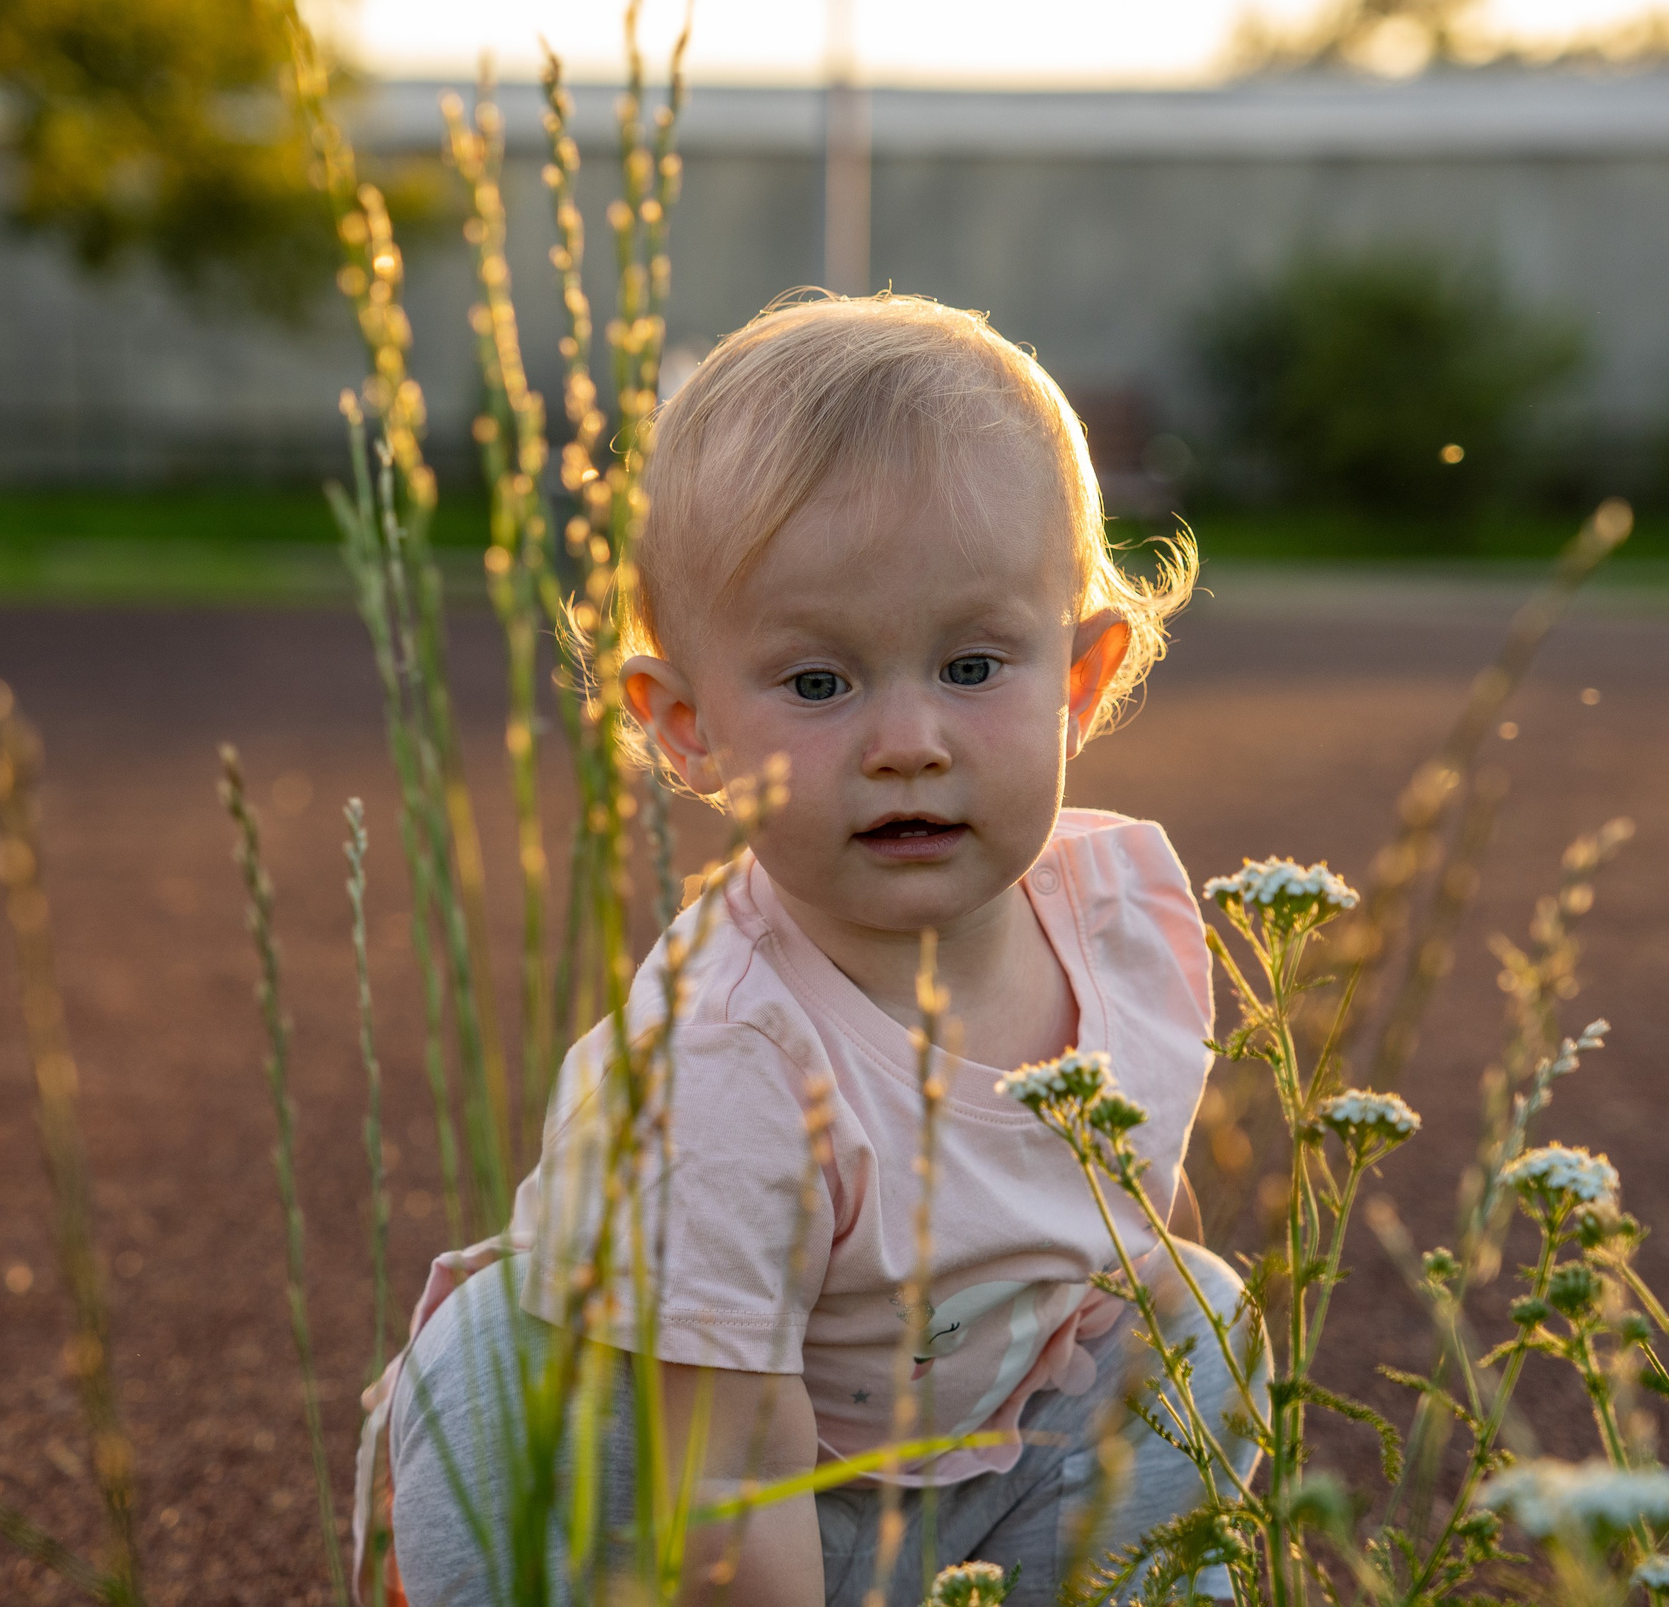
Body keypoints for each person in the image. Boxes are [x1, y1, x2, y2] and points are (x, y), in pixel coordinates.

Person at [358, 293, 1263, 1607]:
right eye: (820, 684)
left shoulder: (1122, 917)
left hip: (967, 1467)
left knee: (1205, 1325)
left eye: (971, 665)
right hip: (682, 1499)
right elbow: (725, 1485)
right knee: (500, 1377)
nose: (909, 740)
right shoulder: (729, 1063)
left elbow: (1131, 1227)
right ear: (687, 728)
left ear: (1080, 678)